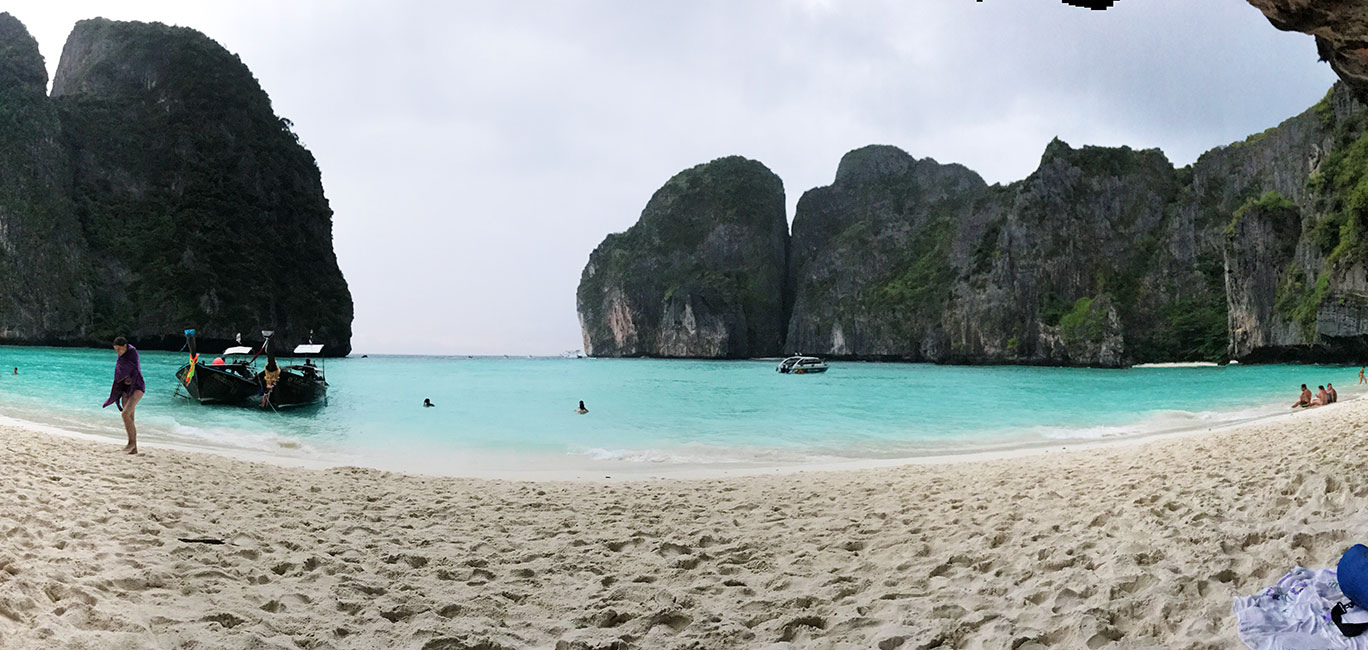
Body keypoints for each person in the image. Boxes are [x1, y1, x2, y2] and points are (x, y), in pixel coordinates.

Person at [102, 336, 145, 454]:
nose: (117, 352)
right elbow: (120, 371)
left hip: (137, 387)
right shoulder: (121, 356)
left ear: (125, 346)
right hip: (125, 389)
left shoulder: (132, 353)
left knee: (125, 414)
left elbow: (135, 369)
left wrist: (130, 378)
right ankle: (133, 446)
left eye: (119, 349)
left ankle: (131, 444)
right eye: (115, 349)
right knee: (130, 417)